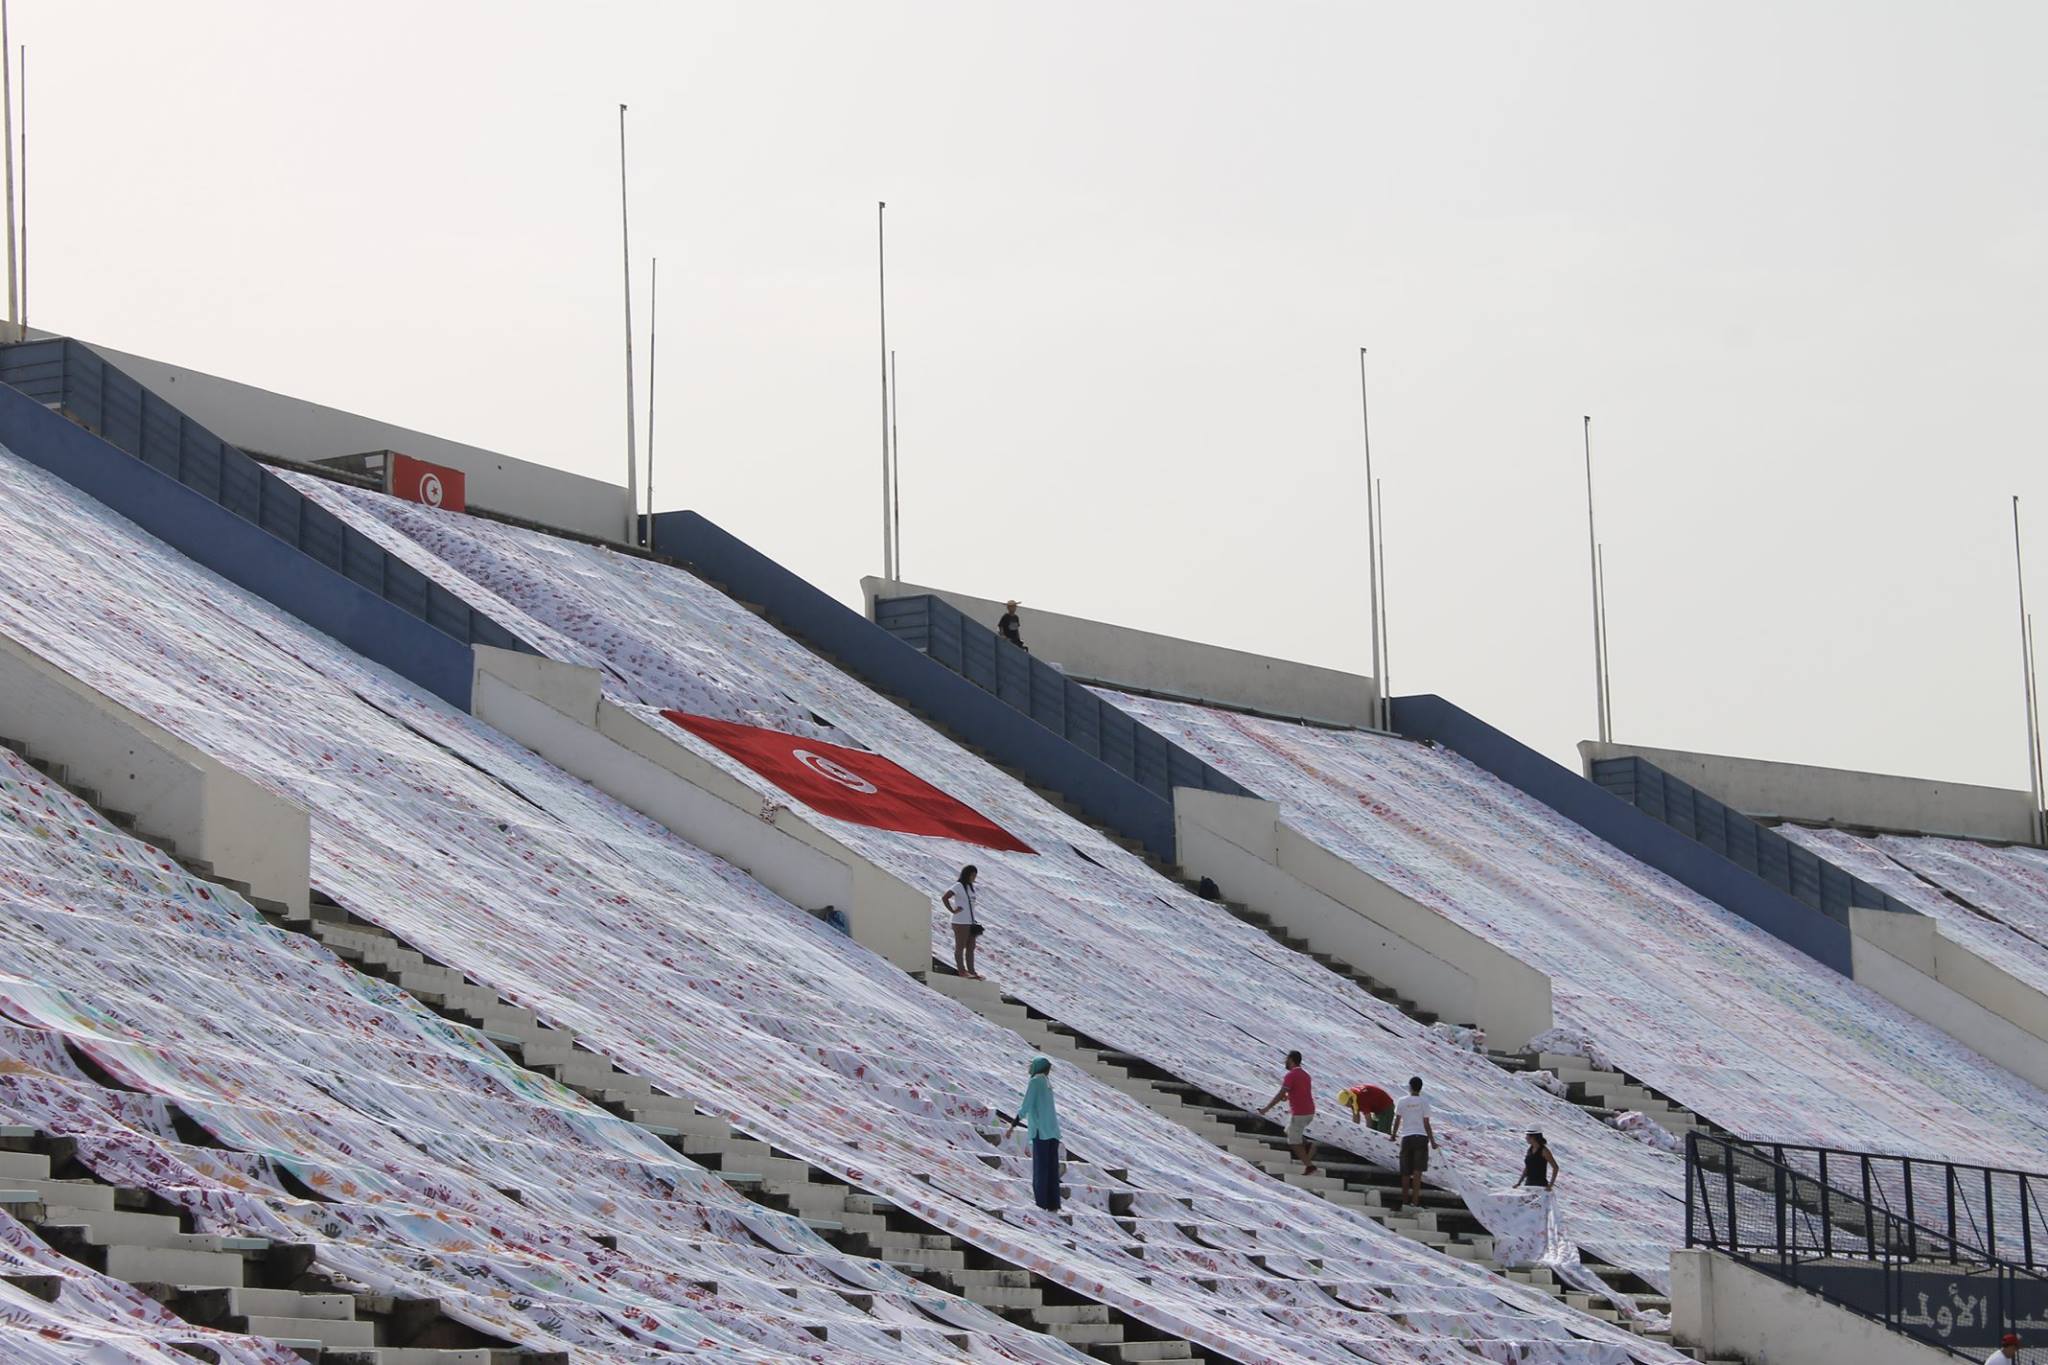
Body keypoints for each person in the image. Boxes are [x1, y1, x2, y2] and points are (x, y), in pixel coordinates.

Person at [1003, 1056, 1062, 1212]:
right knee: (1052, 1170)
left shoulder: (1035, 1082)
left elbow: (1026, 1106)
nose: (1029, 1068)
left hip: (1040, 1131)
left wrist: (1012, 1125)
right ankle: (1053, 1203)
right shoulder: (1047, 1083)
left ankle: (1041, 1203)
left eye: (1031, 1065)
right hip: (1053, 1132)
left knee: (1040, 1169)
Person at [1257, 1051, 1318, 1176]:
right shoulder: (1306, 1075)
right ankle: (1308, 1146)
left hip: (1300, 1113)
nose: (1285, 1062)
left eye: (1286, 1059)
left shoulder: (1291, 1075)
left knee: (1293, 1141)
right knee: (1289, 1131)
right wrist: (1289, 1096)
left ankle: (1310, 1166)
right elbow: (1301, 1092)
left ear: (1291, 1059)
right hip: (1309, 1111)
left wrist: (1266, 1108)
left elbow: (1280, 1094)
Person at [1392, 1076, 1438, 1210]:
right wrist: (1432, 1141)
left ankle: (1405, 1202)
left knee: (1405, 1172)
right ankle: (1415, 1203)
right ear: (1421, 1088)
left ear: (1410, 1087)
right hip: (1421, 1137)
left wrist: (1393, 1135)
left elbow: (1397, 1119)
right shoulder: (1424, 1102)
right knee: (1417, 1172)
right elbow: (1426, 1123)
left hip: (1407, 1137)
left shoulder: (1402, 1101)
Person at [942, 866, 982, 979]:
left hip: (970, 922)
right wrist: (952, 910)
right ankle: (962, 971)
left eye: (975, 875)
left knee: (971, 947)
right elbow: (945, 897)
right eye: (972, 875)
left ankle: (972, 971)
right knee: (960, 947)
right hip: (960, 922)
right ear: (967, 874)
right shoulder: (958, 886)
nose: (974, 878)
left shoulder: (970, 887)